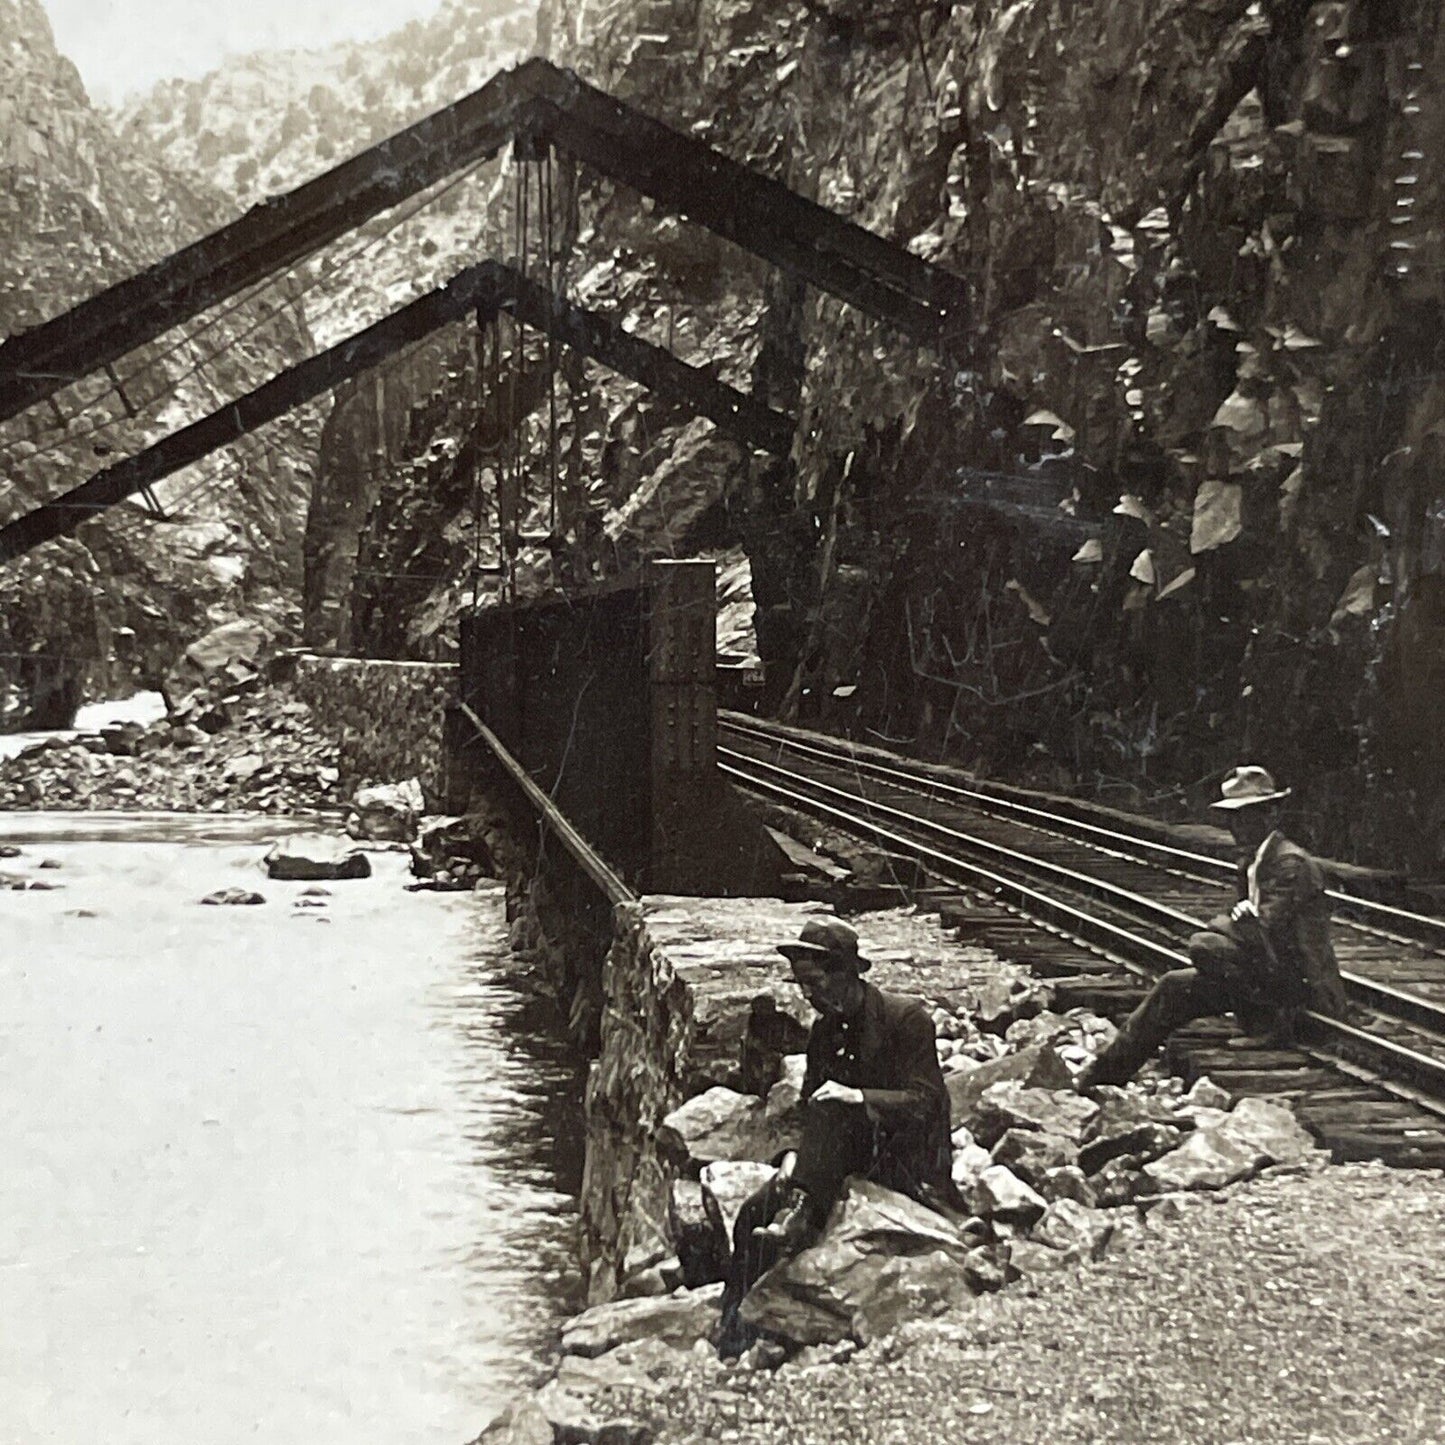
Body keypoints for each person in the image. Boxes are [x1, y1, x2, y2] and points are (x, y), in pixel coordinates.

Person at [715, 917, 953, 1355]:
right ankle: (732, 1332)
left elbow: (926, 1104)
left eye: (814, 981)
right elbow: (807, 1108)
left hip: (903, 1158)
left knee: (833, 1109)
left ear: (846, 973)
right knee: (753, 1213)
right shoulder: (824, 1031)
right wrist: (789, 1156)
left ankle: (801, 1213)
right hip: (839, 1159)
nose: (806, 993)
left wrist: (858, 1095)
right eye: (800, 983)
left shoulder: (907, 1020)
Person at [1076, 765, 1348, 1090]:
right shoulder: (1254, 860)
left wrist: (1222, 925)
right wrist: (1231, 926)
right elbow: (1245, 932)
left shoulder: (1290, 864)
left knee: (1205, 945)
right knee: (1173, 987)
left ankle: (1268, 1025)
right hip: (1266, 979)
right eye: (1233, 818)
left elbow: (1263, 931)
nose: (1236, 827)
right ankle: (1100, 1076)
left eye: (1245, 816)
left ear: (1270, 815)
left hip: (1299, 992)